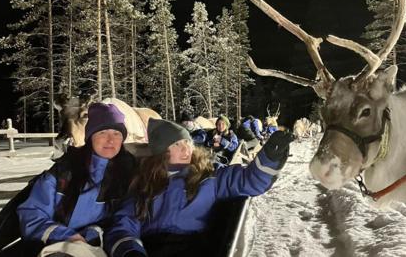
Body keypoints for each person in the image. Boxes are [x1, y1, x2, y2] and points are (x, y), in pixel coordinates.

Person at [104, 118, 293, 257]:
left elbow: (247, 181)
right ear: (162, 152)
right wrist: (130, 251)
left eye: (188, 142)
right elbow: (124, 223)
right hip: (150, 248)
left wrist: (269, 158)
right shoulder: (145, 184)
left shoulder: (209, 175)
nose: (186, 149)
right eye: (177, 144)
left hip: (194, 247)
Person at [16, 103, 137, 256]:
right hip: (54, 245)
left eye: (117, 133)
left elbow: (127, 220)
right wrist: (66, 236)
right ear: (90, 137)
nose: (110, 140)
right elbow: (32, 213)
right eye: (103, 132)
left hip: (101, 246)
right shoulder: (64, 170)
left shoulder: (130, 174)